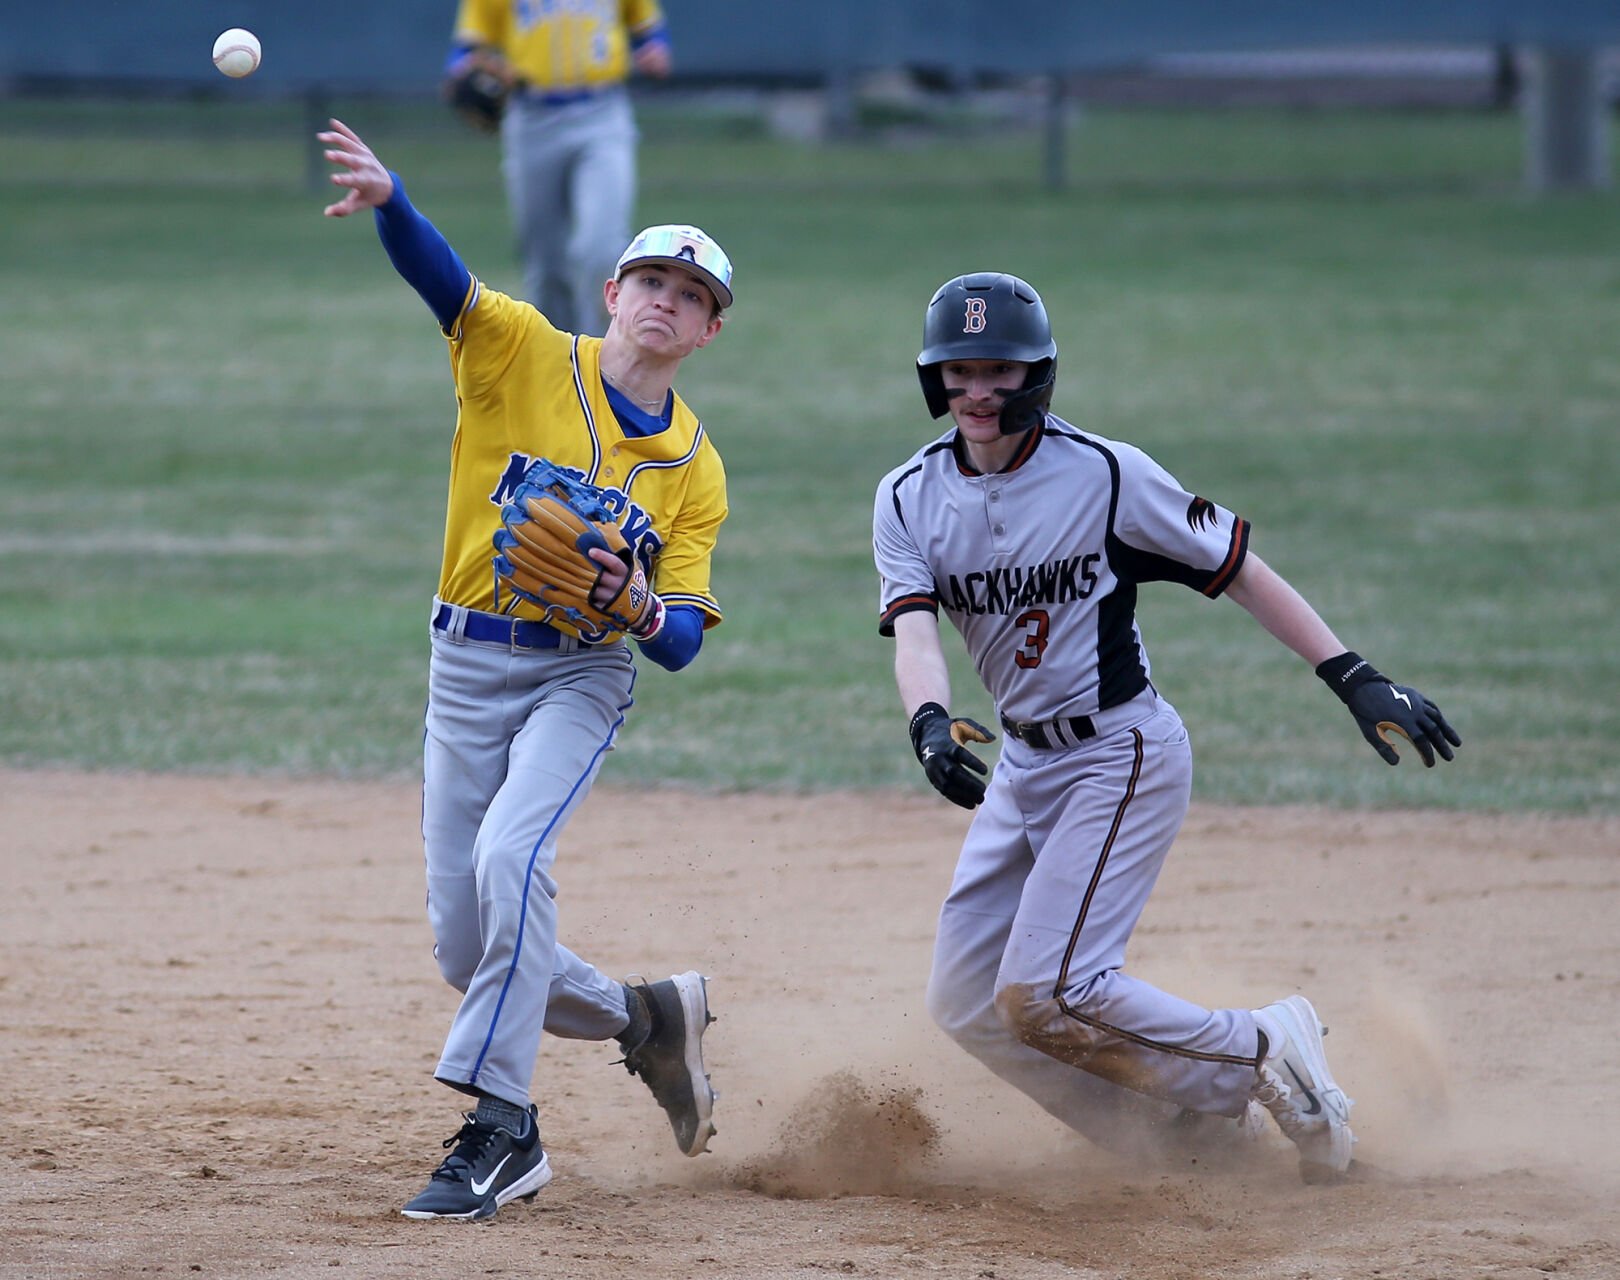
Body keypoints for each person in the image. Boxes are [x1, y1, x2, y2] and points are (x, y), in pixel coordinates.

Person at [872, 272, 1461, 1183]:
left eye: (999, 370)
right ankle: (1187, 1141)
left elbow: (1240, 569)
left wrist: (1353, 676)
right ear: (933, 378)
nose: (979, 391)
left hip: (1120, 752)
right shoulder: (908, 495)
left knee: (1048, 993)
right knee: (969, 1004)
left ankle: (1265, 1045)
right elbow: (915, 628)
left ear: (1040, 374)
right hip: (1025, 765)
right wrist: (927, 720)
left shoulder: (1107, 476)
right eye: (959, 371)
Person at [319, 117, 732, 1220]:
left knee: (514, 857)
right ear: (611, 292)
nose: (665, 299)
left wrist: (639, 602)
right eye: (650, 278)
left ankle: (503, 1128)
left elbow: (682, 636)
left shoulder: (694, 470)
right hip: (463, 665)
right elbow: (443, 281)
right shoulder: (522, 349)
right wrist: (393, 199)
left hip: (580, 677)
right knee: (470, 943)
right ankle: (648, 1020)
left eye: (690, 294)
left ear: (707, 331)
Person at [446, 0, 673, 336]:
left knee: (601, 248)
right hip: (531, 118)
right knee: (545, 263)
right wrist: (463, 70)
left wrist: (655, 49)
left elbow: (648, 29)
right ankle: (558, 364)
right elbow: (465, 50)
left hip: (603, 113)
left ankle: (601, 362)